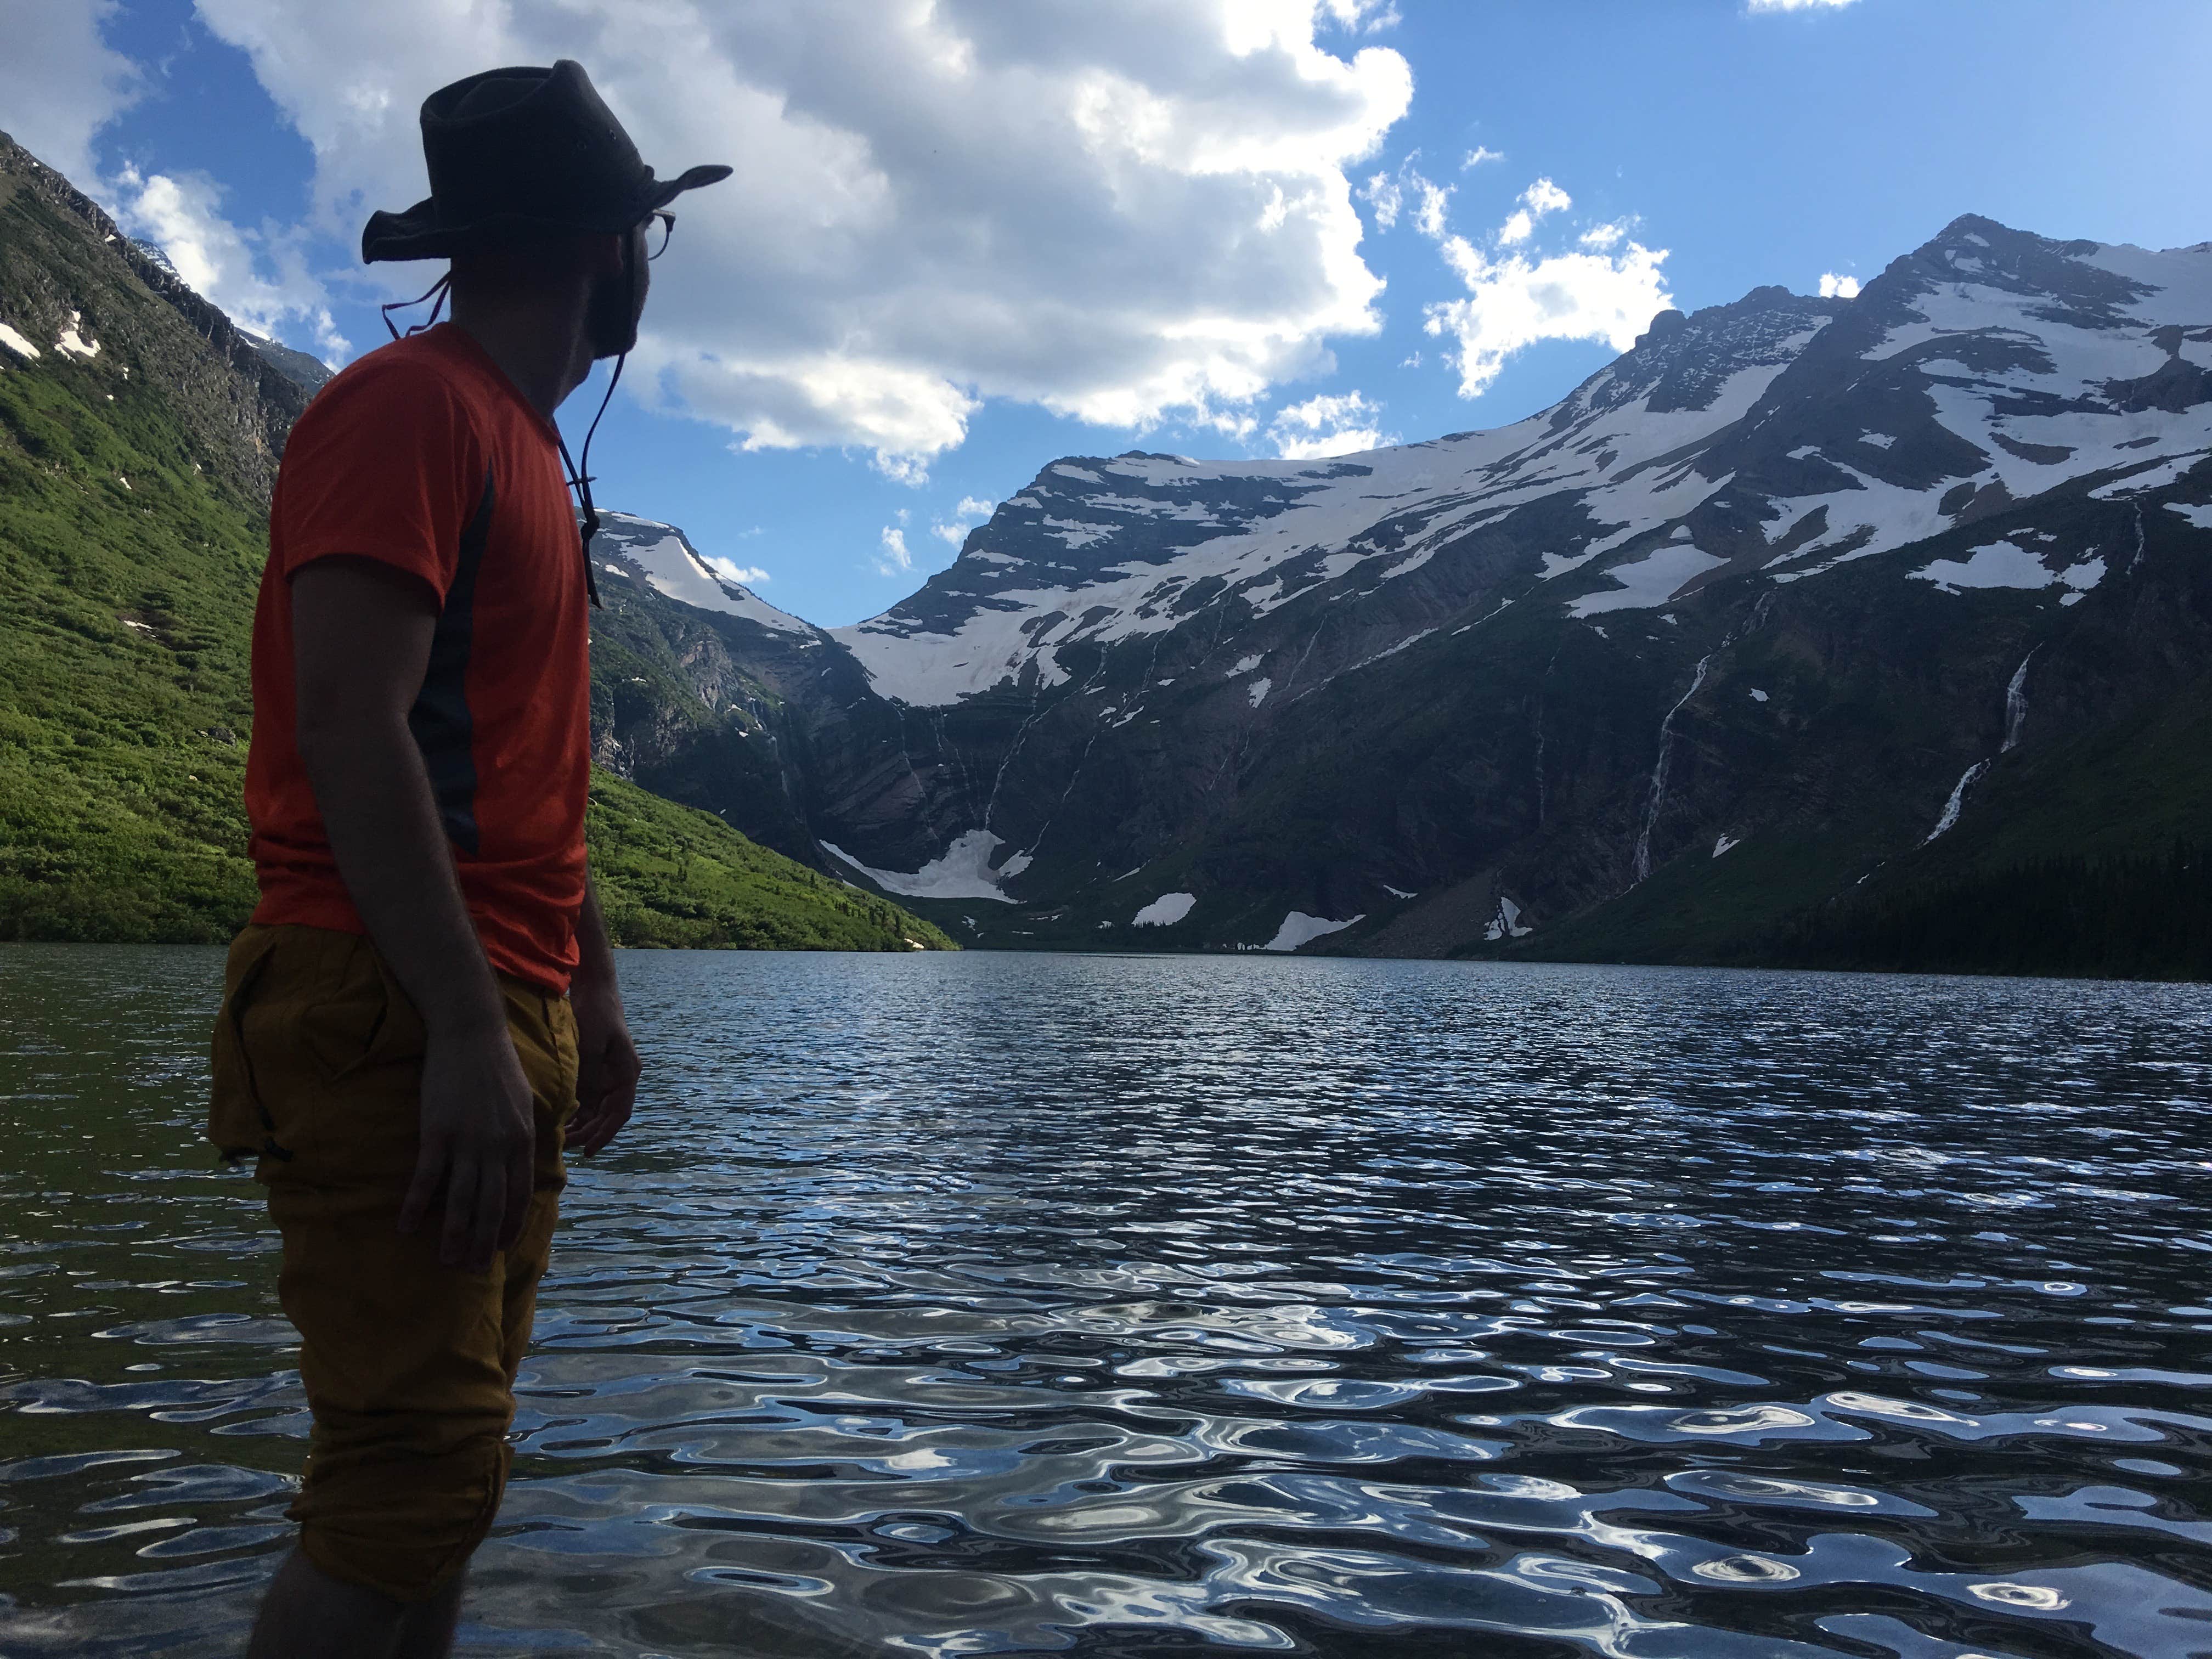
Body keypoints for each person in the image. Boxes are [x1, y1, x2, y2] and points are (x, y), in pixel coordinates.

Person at [206, 62, 729, 1659]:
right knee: (406, 1478)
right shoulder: (412, 411)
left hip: (481, 1002)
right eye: (646, 233)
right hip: (399, 1001)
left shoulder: (513, 442)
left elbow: (514, 775)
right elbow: (356, 727)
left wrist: (598, 994)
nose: (650, 266)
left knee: (448, 1475)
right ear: (598, 248)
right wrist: (456, 1026)